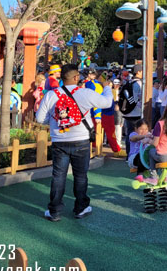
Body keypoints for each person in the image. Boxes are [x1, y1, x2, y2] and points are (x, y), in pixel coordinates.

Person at [36, 64, 113, 221]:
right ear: (76, 77)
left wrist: (54, 122)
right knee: (80, 175)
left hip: (59, 141)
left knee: (58, 176)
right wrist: (107, 87)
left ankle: (54, 211)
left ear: (62, 77)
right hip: (81, 140)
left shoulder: (51, 95)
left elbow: (39, 118)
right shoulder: (85, 93)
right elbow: (107, 103)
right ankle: (81, 208)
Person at [122, 64, 143, 157]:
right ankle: (134, 154)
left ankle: (128, 154)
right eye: (142, 71)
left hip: (127, 112)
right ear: (138, 72)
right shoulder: (139, 84)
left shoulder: (128, 82)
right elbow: (138, 98)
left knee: (129, 134)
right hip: (136, 112)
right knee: (137, 134)